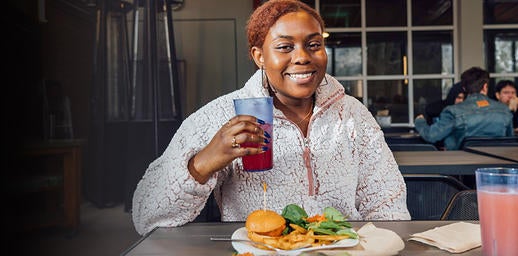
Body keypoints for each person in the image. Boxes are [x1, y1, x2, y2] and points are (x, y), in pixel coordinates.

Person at [131, 0, 410, 236]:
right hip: (258, 250)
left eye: (313, 44)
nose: (302, 57)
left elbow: (389, 205)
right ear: (258, 56)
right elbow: (147, 215)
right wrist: (204, 162)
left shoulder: (352, 114)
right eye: (285, 47)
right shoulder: (220, 116)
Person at [414, 67, 513, 150]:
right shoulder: (504, 110)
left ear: (464, 88)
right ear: (485, 87)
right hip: (496, 167)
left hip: (461, 169)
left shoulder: (453, 111)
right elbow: (510, 141)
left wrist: (420, 121)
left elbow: (432, 136)